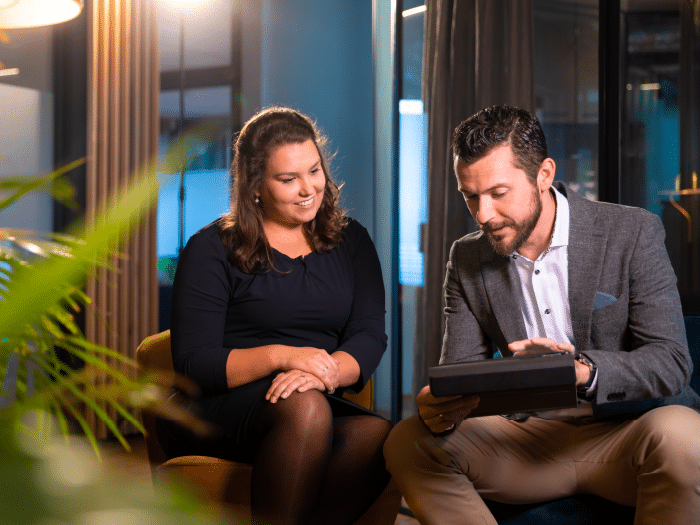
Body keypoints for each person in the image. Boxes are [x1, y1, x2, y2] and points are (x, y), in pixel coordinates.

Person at [383, 105, 700, 524]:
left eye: (498, 193)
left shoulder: (632, 231)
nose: (483, 214)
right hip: (528, 442)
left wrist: (581, 371)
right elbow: (462, 374)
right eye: (470, 196)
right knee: (407, 441)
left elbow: (671, 362)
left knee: (685, 437)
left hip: (628, 433)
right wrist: (442, 405)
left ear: (544, 175)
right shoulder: (467, 257)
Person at [167, 106, 392, 525]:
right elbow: (193, 363)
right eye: (288, 179)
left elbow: (368, 335)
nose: (308, 189)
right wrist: (285, 357)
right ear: (255, 185)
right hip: (218, 407)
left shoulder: (352, 241)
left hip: (313, 397)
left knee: (377, 435)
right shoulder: (211, 248)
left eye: (314, 171)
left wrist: (321, 374)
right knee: (304, 408)